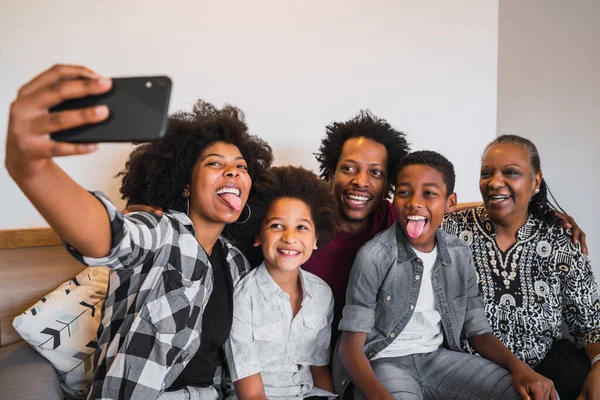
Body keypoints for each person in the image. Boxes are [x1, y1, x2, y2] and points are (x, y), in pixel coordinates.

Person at [4, 65, 274, 399]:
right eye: (215, 163)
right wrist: (33, 169)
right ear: (185, 185)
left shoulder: (235, 263)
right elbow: (111, 235)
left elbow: (234, 361)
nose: (233, 170)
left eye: (241, 167)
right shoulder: (162, 232)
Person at [333, 150, 556, 399]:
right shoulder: (375, 255)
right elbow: (350, 347)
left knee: (536, 395)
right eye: (404, 192)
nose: (414, 202)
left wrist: (520, 369)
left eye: (429, 194)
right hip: (384, 362)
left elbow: (478, 331)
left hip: (437, 360)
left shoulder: (458, 254)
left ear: (450, 203)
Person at [442, 135, 600, 400]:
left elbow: (589, 324)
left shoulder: (561, 239)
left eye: (511, 173)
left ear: (536, 181)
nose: (494, 182)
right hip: (467, 369)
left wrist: (598, 365)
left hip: (546, 364)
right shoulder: (451, 230)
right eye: (486, 173)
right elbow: (414, 210)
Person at [224, 166, 338, 400]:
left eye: (301, 227)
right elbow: (250, 392)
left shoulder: (322, 294)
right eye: (276, 225)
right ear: (257, 235)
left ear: (316, 239)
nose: (289, 237)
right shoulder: (243, 297)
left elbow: (319, 369)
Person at [302, 111, 410, 345]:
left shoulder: (396, 220)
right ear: (331, 174)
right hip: (307, 354)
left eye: (375, 172)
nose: (361, 181)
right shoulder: (302, 224)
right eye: (349, 168)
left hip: (369, 353)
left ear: (387, 184)